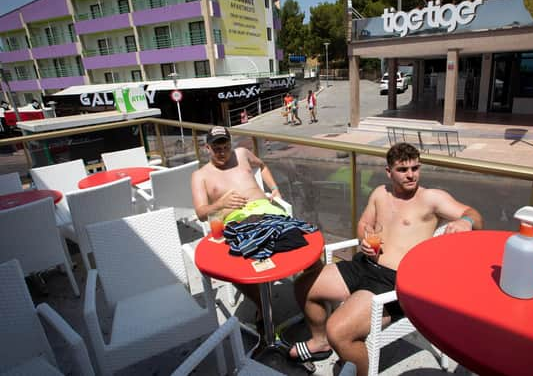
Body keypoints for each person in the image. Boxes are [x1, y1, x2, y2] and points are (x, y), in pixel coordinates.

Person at [290, 143, 483, 374]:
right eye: (403, 170)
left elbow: (474, 215)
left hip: (391, 282)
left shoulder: (431, 198)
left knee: (339, 331)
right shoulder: (380, 193)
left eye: (415, 168)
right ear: (388, 172)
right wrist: (365, 239)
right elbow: (364, 224)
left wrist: (466, 222)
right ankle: (319, 341)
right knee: (304, 286)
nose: (411, 175)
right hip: (364, 264)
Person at [191, 126, 286, 308]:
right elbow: (201, 213)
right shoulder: (200, 175)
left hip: (268, 212)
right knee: (231, 266)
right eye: (217, 149)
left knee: (302, 245)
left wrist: (274, 189)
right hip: (237, 221)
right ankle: (263, 307)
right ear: (207, 148)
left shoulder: (241, 154)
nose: (222, 153)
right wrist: (220, 204)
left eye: (225, 147)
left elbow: (262, 166)